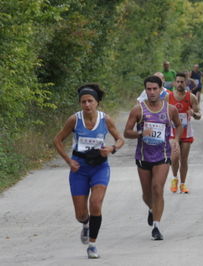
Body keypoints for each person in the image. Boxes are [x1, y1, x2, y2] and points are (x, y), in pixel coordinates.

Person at [53, 84, 125, 258]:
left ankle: (92, 244)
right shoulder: (74, 120)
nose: (87, 105)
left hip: (100, 167)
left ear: (97, 102)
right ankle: (86, 224)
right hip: (79, 167)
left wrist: (112, 148)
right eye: (83, 102)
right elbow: (57, 140)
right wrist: (69, 160)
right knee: (81, 214)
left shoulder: (105, 119)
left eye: (90, 101)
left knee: (95, 204)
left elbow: (120, 139)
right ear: (80, 103)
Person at [124, 75, 182, 240]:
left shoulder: (170, 109)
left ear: (161, 89)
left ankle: (156, 226)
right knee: (146, 194)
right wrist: (141, 132)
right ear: (145, 90)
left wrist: (175, 139)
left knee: (157, 188)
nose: (151, 92)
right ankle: (152, 209)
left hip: (162, 155)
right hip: (143, 156)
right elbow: (126, 133)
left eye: (155, 89)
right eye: (148, 89)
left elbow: (178, 125)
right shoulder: (138, 109)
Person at [165, 73, 201, 194]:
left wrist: (194, 114)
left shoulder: (191, 97)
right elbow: (161, 113)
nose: (180, 84)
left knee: (184, 159)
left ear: (186, 83)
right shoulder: (168, 97)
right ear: (174, 83)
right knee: (175, 157)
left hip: (186, 132)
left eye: (182, 82)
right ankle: (174, 178)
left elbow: (199, 114)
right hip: (173, 132)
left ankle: (183, 184)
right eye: (178, 81)